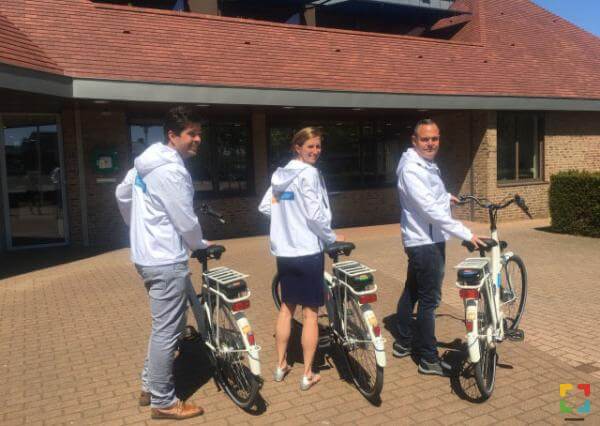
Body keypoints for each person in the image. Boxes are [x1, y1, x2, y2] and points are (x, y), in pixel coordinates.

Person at [115, 106, 210, 420]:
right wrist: (199, 244)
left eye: (198, 132)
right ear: (172, 135)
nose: (197, 139)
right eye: (190, 134)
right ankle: (164, 402)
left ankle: (148, 386)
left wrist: (137, 227)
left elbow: (122, 194)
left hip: (146, 256)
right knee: (168, 332)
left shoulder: (144, 163)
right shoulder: (171, 169)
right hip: (166, 259)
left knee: (166, 326)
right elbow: (185, 219)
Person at [394, 118, 486, 376]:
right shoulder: (411, 169)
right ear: (415, 140)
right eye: (425, 139)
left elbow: (430, 194)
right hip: (425, 241)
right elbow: (430, 210)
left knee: (413, 290)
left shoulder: (423, 163)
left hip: (424, 238)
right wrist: (465, 233)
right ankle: (428, 359)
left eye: (434, 138)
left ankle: (402, 341)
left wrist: (446, 196)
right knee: (429, 301)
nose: (431, 143)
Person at [258, 127, 344, 391]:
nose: (315, 151)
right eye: (310, 146)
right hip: (307, 251)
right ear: (297, 147)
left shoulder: (280, 175)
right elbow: (315, 215)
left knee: (286, 308)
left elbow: (264, 206)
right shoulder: (309, 174)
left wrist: (287, 219)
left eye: (318, 146)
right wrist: (330, 237)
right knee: (310, 314)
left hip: (284, 252)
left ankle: (280, 365)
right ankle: (307, 373)